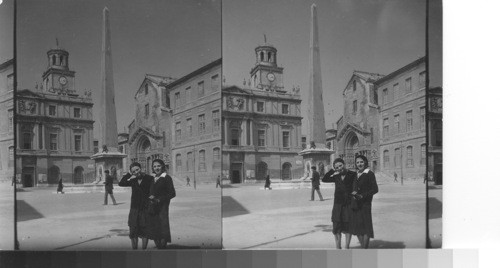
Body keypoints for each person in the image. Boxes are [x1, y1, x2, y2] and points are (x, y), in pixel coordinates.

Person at [322, 158, 356, 249]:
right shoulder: (336, 176)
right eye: (337, 167)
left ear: (344, 164)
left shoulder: (353, 174)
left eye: (340, 166)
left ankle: (347, 246)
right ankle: (338, 246)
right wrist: (332, 170)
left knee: (348, 225)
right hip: (337, 204)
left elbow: (357, 187)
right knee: (336, 224)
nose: (339, 168)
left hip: (348, 204)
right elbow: (324, 179)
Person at [119, 162, 154, 250]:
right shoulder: (133, 180)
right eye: (134, 171)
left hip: (145, 208)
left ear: (141, 168)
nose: (136, 172)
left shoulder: (149, 178)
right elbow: (121, 183)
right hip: (134, 208)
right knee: (133, 230)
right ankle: (134, 250)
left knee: (144, 230)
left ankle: (144, 250)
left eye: (137, 169)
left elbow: (153, 191)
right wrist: (129, 174)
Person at [350, 155, 378, 249]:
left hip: (365, 204)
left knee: (366, 227)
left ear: (365, 162)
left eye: (361, 162)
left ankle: (364, 248)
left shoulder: (369, 173)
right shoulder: (355, 174)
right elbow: (353, 188)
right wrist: (353, 194)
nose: (359, 164)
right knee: (357, 227)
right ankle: (363, 248)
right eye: (357, 162)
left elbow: (375, 189)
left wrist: (362, 195)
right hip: (355, 204)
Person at [149, 159, 176, 249]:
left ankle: (163, 247)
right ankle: (158, 247)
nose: (156, 168)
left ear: (162, 166)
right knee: (154, 226)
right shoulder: (152, 178)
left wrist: (159, 199)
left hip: (162, 207)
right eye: (154, 166)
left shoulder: (167, 178)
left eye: (158, 166)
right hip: (152, 206)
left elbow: (172, 193)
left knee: (163, 226)